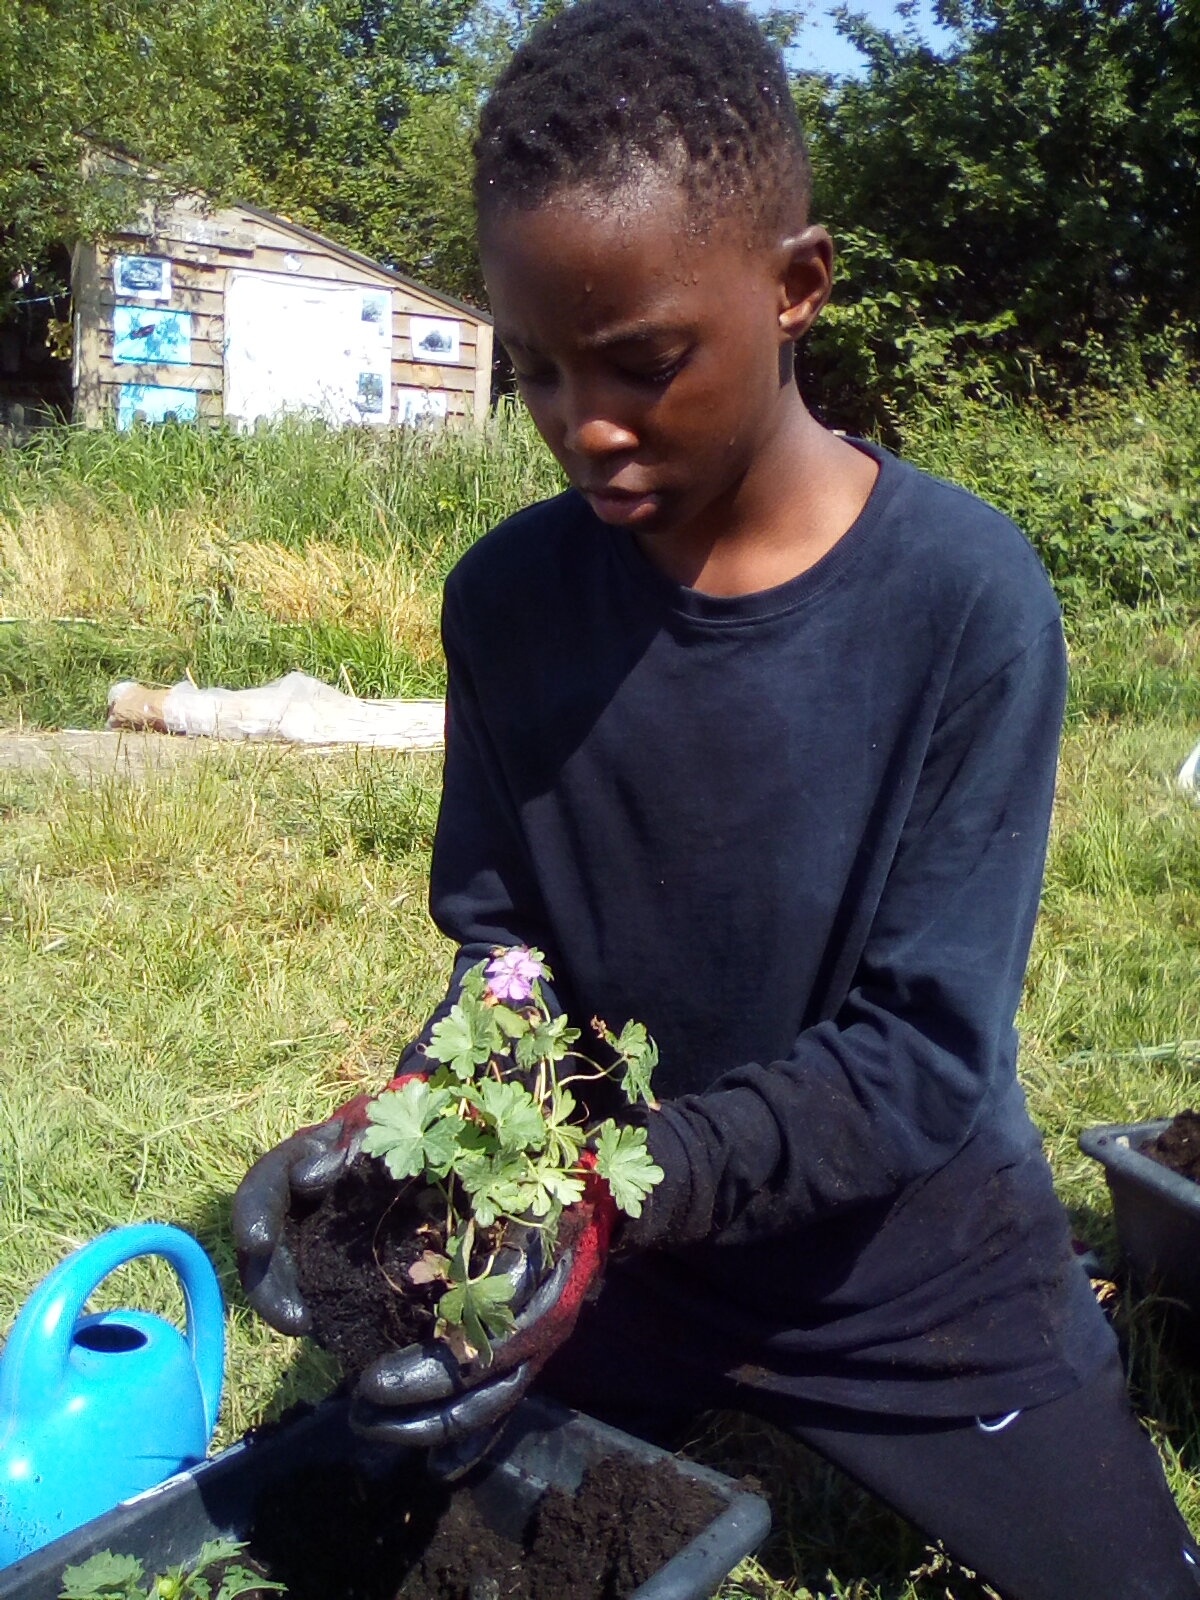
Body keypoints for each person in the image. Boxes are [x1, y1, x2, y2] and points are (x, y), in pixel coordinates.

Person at [232, 3, 1200, 1594]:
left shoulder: (964, 600)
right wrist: (404, 1151)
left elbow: (918, 1058)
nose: (585, 424)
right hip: (613, 1257)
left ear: (798, 285)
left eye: (644, 362)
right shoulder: (509, 602)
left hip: (906, 1268)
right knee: (360, 1533)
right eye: (535, 369)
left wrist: (611, 1197)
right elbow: (508, 963)